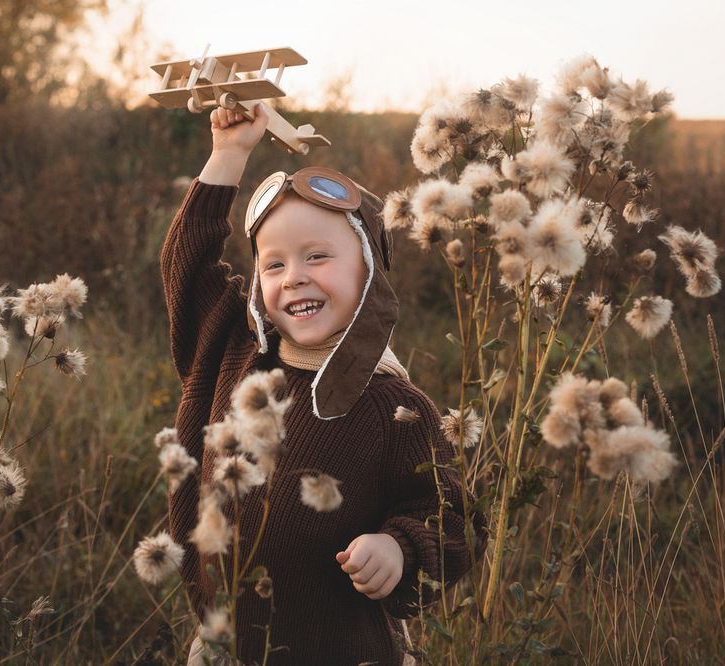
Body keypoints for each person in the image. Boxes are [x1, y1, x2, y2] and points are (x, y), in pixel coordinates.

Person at [161, 102, 487, 666]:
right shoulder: (237, 350)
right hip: (225, 647)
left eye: (317, 256)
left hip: (343, 651)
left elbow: (451, 518)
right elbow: (185, 269)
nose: (295, 277)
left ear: (368, 271)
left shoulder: (393, 405)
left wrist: (399, 547)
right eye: (275, 264)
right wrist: (229, 153)